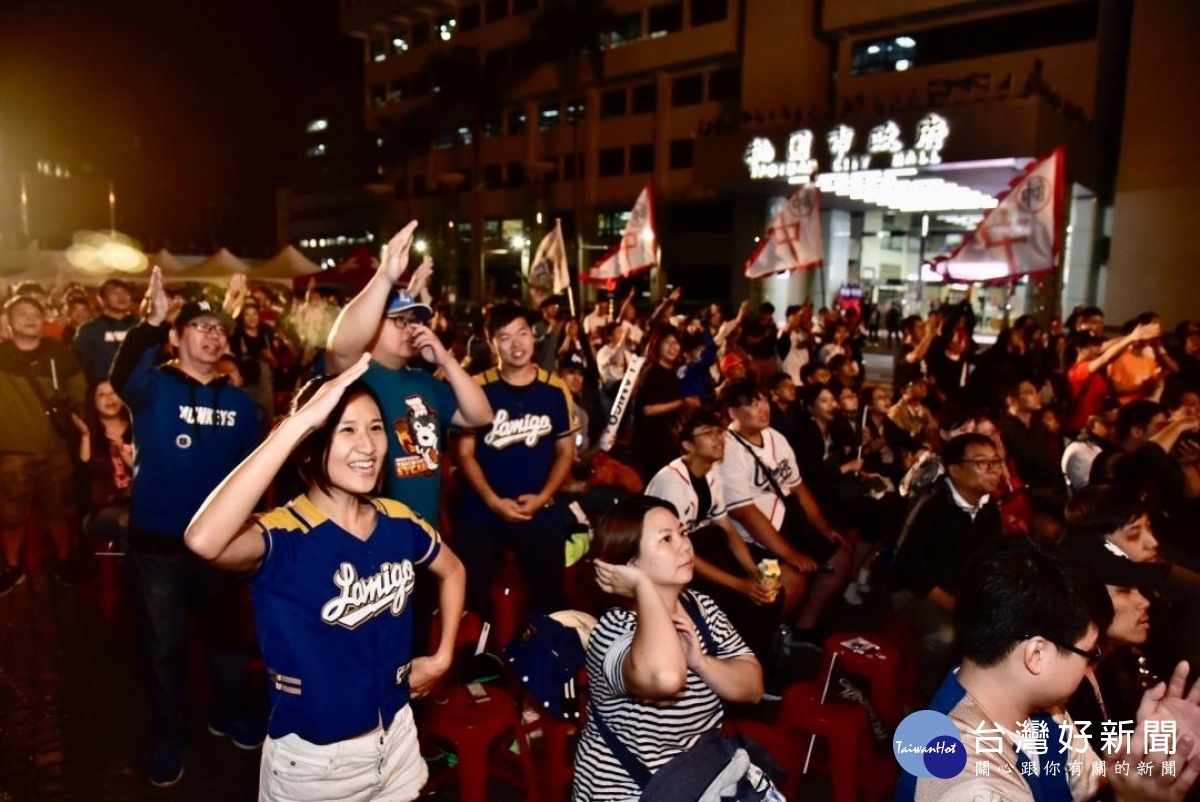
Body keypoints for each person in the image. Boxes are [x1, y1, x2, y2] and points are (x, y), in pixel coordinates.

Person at [185, 358, 466, 801]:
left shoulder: (398, 520)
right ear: (311, 443)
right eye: (346, 429)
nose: (369, 445)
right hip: (316, 766)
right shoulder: (284, 533)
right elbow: (203, 541)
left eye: (375, 427)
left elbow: (453, 570)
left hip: (397, 741)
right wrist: (297, 425)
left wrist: (443, 655)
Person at [895, 536, 1200, 802]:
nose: (1089, 666)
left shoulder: (1037, 707)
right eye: (1088, 652)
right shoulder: (964, 783)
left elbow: (1093, 781)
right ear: (1037, 654)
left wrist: (1153, 756)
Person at [109, 267, 262, 786]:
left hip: (221, 548)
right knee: (163, 647)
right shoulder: (153, 387)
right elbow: (119, 375)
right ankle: (168, 736)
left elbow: (253, 475)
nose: (214, 333)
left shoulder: (240, 404)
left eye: (220, 327)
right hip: (159, 548)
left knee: (228, 640)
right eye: (200, 325)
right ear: (177, 338)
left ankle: (227, 711)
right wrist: (150, 322)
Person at [571, 496, 763, 801]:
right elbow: (665, 678)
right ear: (631, 565)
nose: (685, 546)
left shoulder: (701, 608)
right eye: (666, 539)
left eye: (683, 533)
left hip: (698, 778)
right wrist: (644, 588)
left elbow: (752, 688)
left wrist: (701, 663)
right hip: (629, 791)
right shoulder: (614, 629)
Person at [325, 221, 493, 526]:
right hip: (369, 536)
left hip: (423, 537)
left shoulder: (423, 381)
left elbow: (480, 416)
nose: (411, 328)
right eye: (399, 321)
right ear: (372, 325)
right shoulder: (355, 375)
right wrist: (385, 276)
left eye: (414, 321)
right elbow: (339, 346)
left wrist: (447, 361)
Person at [455, 303, 577, 619]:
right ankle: (479, 661)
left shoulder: (555, 389)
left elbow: (566, 451)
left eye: (522, 333)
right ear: (490, 341)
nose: (516, 344)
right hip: (483, 511)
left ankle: (542, 661)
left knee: (550, 599)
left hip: (539, 509)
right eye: (505, 336)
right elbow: (464, 453)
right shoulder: (477, 387)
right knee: (471, 598)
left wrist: (543, 498)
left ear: (533, 336)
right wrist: (492, 501)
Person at [716, 378, 851, 648]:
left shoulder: (775, 437)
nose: (762, 408)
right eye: (752, 404)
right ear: (732, 412)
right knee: (791, 581)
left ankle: (804, 628)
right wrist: (790, 555)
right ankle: (759, 646)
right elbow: (745, 513)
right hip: (752, 538)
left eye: (763, 400)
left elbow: (798, 488)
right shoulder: (727, 448)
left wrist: (823, 528)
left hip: (787, 522)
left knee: (840, 555)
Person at [644, 408, 780, 659]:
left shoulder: (711, 471)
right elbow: (676, 551)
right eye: (708, 433)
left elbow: (727, 529)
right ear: (687, 445)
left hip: (698, 551)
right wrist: (739, 585)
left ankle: (756, 658)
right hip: (668, 562)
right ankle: (735, 664)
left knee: (771, 590)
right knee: (740, 602)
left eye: (719, 432)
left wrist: (754, 574)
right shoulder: (672, 482)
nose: (718, 438)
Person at [891, 433, 1003, 695]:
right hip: (918, 592)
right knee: (945, 636)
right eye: (981, 462)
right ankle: (926, 695)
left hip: (963, 594)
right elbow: (907, 566)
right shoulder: (932, 506)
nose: (993, 469)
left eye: (995, 461)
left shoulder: (988, 508)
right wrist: (954, 605)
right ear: (955, 470)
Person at [0, 295, 87, 593]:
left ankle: (63, 561)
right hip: (12, 452)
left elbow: (79, 392)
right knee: (11, 513)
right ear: (8, 322)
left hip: (55, 449)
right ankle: (13, 566)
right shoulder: (1, 354)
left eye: (35, 313)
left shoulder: (60, 353)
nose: (29, 317)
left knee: (59, 509)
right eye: (21, 313)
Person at [632, 326, 696, 480]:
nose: (672, 347)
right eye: (667, 343)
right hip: (652, 445)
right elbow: (648, 410)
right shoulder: (651, 373)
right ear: (657, 345)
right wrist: (683, 403)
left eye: (676, 343)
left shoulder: (673, 373)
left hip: (668, 442)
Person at [74, 277, 138, 385]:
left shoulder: (144, 326)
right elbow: (80, 367)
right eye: (114, 292)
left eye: (125, 292)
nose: (121, 296)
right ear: (102, 300)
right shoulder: (89, 330)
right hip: (106, 394)